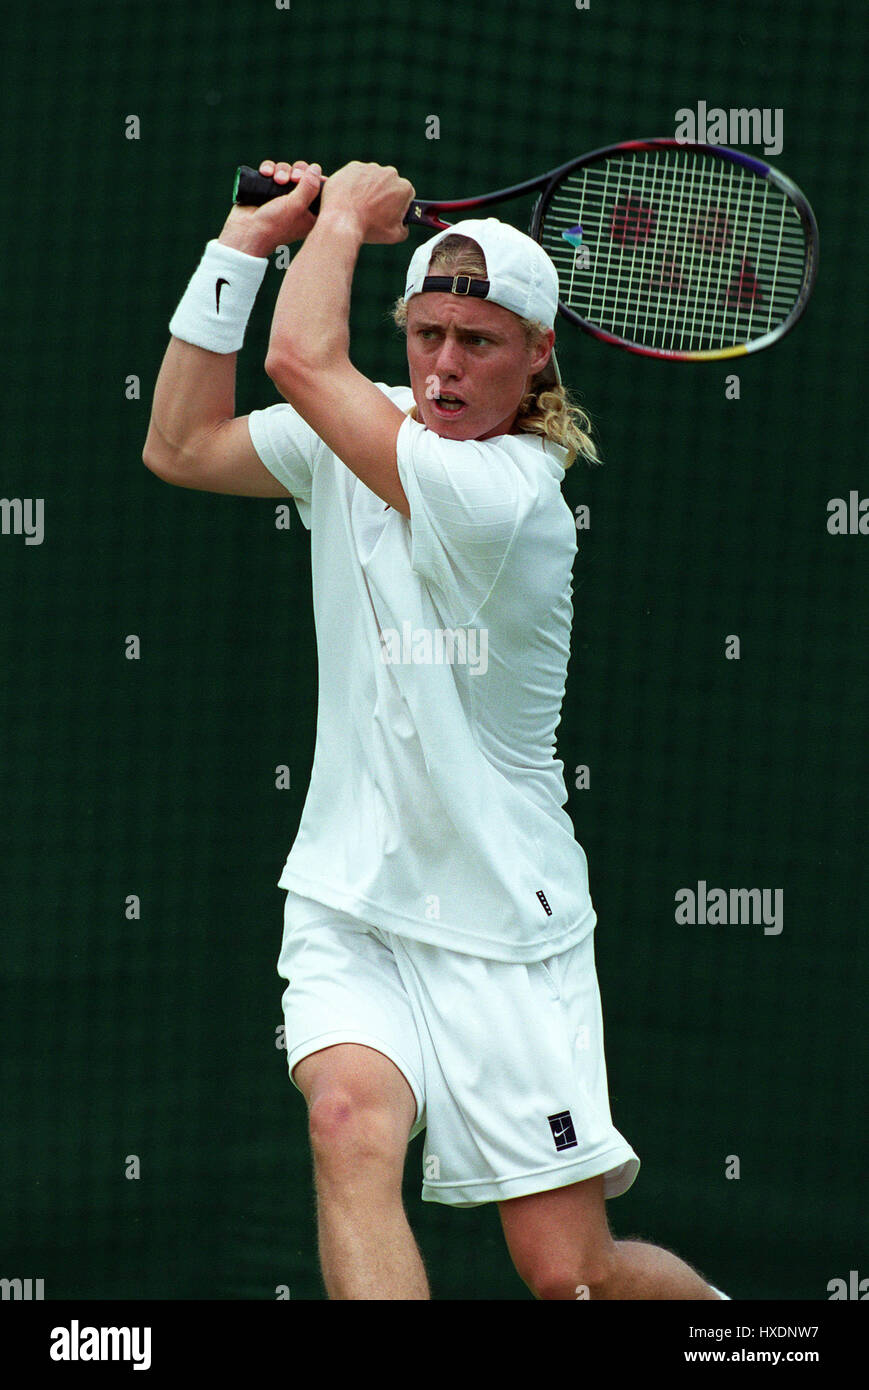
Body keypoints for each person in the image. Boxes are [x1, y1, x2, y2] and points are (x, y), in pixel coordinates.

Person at [143, 157, 730, 1302]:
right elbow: (178, 446)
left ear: (537, 355)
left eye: (479, 342)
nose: (445, 366)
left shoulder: (508, 497)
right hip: (349, 895)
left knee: (570, 1274)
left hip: (504, 924)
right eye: (426, 335)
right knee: (345, 1119)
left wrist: (345, 222)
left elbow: (299, 358)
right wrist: (239, 246)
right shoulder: (374, 429)